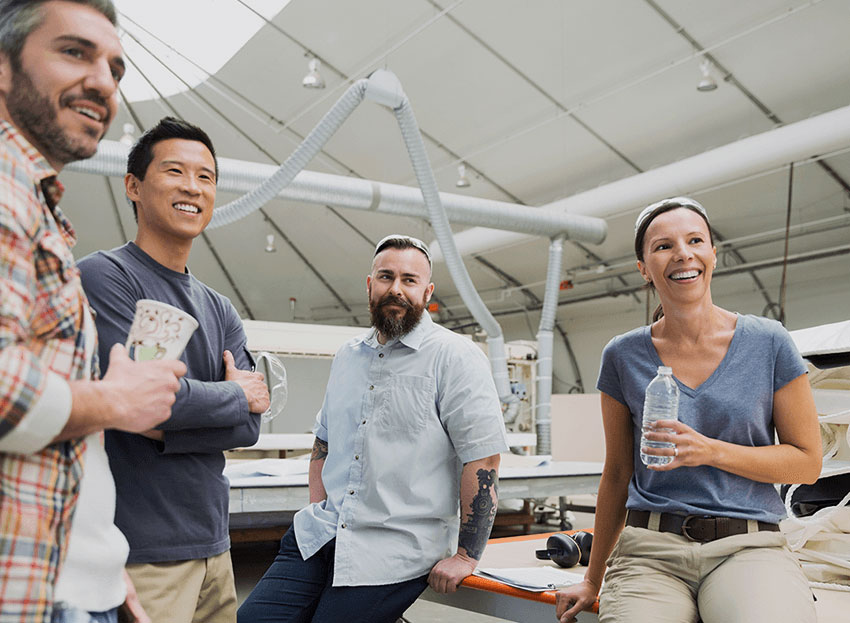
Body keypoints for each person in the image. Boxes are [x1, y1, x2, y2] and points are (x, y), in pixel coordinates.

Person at [0, 2, 187, 622]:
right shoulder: (5, 189)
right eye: (74, 52)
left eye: (115, 68)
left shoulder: (37, 207)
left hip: (70, 574)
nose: (104, 81)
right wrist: (117, 400)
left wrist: (99, 562)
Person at [555, 197, 822, 623]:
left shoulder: (769, 342)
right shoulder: (622, 355)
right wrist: (592, 579)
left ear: (713, 253)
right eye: (663, 246)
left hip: (748, 548)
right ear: (644, 268)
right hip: (650, 551)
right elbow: (618, 473)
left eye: (695, 240)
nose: (682, 253)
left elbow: (806, 464)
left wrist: (711, 451)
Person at [238, 235, 509, 622]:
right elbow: (324, 441)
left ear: (427, 291)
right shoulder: (348, 356)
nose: (396, 288)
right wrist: (318, 507)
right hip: (322, 533)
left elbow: (482, 458)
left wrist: (466, 556)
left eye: (409, 280)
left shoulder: (454, 356)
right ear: (370, 285)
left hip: (394, 548)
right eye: (386, 276)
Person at [77, 116, 269, 623]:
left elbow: (249, 428)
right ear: (133, 186)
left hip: (215, 545)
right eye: (175, 171)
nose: (192, 187)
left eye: (206, 177)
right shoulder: (106, 277)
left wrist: (173, 415)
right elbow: (140, 407)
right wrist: (232, 396)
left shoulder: (219, 307)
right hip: (140, 550)